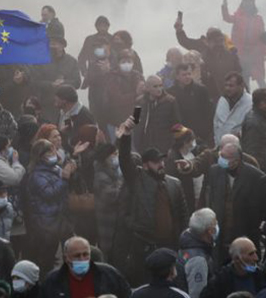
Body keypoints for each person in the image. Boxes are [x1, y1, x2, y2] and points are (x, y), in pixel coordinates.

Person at [114, 117, 188, 285]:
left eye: (162, 161)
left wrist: (182, 240)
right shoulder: (137, 179)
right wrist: (126, 136)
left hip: (170, 244)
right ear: (146, 165)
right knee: (145, 283)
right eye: (156, 162)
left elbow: (183, 215)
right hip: (144, 244)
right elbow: (125, 160)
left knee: (170, 283)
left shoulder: (174, 184)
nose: (161, 165)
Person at [198, 141, 262, 262]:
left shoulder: (255, 176)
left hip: (244, 234)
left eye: (225, 157)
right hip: (220, 235)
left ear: (236, 160)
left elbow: (258, 208)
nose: (220, 159)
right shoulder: (214, 171)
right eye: (220, 155)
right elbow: (210, 198)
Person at [23, 139, 75, 275]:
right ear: (40, 156)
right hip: (46, 222)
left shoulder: (55, 169)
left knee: (70, 253)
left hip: (60, 218)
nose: (53, 153)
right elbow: (49, 194)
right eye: (49, 151)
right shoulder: (36, 175)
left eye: (53, 150)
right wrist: (64, 178)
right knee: (47, 258)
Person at [174, 17, 241, 103]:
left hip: (230, 93)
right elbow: (185, 41)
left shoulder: (231, 55)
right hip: (210, 95)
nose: (218, 44)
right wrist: (179, 30)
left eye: (220, 41)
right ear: (207, 41)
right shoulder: (202, 49)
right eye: (215, 41)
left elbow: (239, 74)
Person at [39, 236, 131, 298]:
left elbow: (128, 295)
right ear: (66, 258)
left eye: (85, 254)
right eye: (77, 255)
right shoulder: (53, 281)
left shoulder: (109, 274)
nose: (82, 259)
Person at [222, 0, 266, 88]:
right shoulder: (237, 16)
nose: (248, 4)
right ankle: (248, 101)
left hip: (255, 53)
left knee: (261, 79)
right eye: (246, 1)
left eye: (250, 1)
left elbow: (263, 36)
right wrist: (224, 7)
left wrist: (265, 51)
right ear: (243, 3)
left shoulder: (258, 19)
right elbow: (227, 18)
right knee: (244, 80)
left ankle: (265, 100)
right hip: (241, 53)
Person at [200, 237, 264, 298]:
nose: (256, 258)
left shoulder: (261, 276)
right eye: (251, 254)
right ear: (237, 258)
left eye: (255, 252)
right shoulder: (220, 281)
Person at [133, 75, 181, 154]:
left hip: (164, 145)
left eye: (160, 85)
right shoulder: (139, 102)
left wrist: (174, 145)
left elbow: (177, 124)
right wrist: (137, 143)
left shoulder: (170, 101)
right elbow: (135, 122)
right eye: (155, 86)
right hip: (144, 145)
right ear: (147, 88)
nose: (159, 89)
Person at [176, 208, 218, 298]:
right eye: (215, 223)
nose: (217, 226)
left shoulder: (187, 245)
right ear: (210, 231)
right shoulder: (198, 259)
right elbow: (198, 294)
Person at [167, 64, 214, 143]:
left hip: (201, 134)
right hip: (180, 134)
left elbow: (209, 112)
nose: (187, 77)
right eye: (184, 75)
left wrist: (206, 130)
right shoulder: (170, 93)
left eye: (189, 74)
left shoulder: (201, 90)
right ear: (177, 76)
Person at [92, 143, 123, 259]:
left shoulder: (114, 171)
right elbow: (112, 196)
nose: (117, 157)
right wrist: (121, 182)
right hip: (108, 221)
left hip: (114, 221)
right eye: (114, 154)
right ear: (105, 157)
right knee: (109, 254)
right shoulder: (101, 176)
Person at [212, 72, 251, 144]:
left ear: (241, 86)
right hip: (221, 148)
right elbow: (216, 123)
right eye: (226, 85)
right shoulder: (222, 100)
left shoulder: (250, 103)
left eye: (231, 86)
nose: (227, 88)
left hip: (240, 149)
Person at [240, 88, 266, 169]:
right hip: (259, 167)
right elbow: (252, 151)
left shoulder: (263, 117)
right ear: (262, 103)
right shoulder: (254, 123)